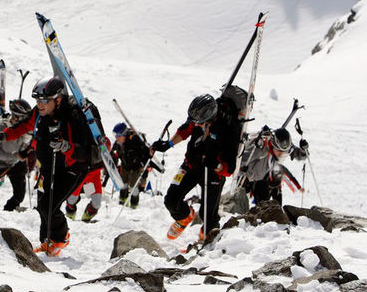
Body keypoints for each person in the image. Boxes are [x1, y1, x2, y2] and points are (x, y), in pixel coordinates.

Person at [0, 77, 91, 257]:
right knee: (42, 205)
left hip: (72, 169)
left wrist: (65, 146)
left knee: (49, 206)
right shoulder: (39, 113)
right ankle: (46, 242)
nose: (39, 104)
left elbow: (84, 151)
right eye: (37, 100)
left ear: (58, 100)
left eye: (44, 100)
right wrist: (3, 136)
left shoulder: (72, 117)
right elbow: (23, 126)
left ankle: (60, 238)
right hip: (47, 167)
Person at [152, 93, 240, 241]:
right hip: (191, 165)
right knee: (171, 201)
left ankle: (206, 243)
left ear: (211, 117)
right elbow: (186, 129)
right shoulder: (199, 116)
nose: (196, 125)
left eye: (198, 123)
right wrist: (168, 144)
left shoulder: (229, 129)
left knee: (208, 216)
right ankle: (184, 217)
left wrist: (216, 165)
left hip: (213, 174)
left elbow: (230, 169)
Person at [0, 99, 35, 211]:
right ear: (15, 116)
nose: (24, 121)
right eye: (22, 118)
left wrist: (24, 152)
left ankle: (9, 212)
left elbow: (26, 142)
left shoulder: (24, 128)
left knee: (19, 194)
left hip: (16, 164)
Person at [239, 127, 309, 205]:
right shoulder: (261, 148)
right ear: (272, 145)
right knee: (263, 205)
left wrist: (303, 150)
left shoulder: (286, 148)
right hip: (254, 179)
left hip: (272, 181)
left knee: (275, 206)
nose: (281, 154)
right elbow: (242, 157)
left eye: (284, 152)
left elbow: (299, 154)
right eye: (278, 151)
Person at [112, 122, 151, 208]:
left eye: (118, 135)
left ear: (124, 134)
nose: (116, 138)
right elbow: (113, 153)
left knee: (133, 187)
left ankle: (134, 204)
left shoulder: (134, 141)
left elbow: (145, 152)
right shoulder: (118, 144)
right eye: (115, 135)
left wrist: (144, 166)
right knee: (123, 184)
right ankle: (122, 201)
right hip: (125, 165)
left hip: (135, 167)